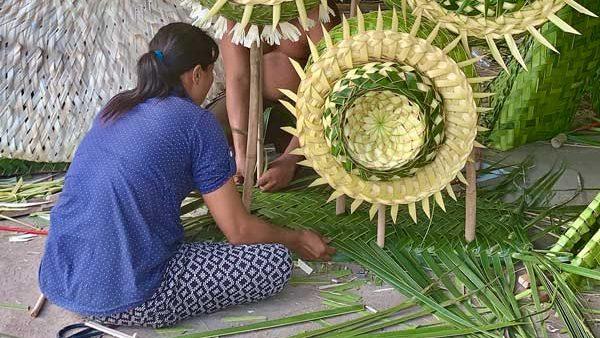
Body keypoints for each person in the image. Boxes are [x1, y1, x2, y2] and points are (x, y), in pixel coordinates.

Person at [38, 23, 335, 328]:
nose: (211, 81)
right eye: (210, 72)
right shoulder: (197, 123)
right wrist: (295, 239)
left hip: (59, 277)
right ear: (196, 74)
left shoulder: (117, 106)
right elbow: (239, 231)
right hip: (130, 296)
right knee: (273, 263)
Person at [215, 1, 341, 192]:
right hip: (250, 105)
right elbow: (238, 79)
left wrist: (291, 159)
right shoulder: (235, 10)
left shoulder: (317, 9)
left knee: (327, 149)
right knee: (210, 127)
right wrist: (242, 157)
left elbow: (327, 86)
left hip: (306, 111)